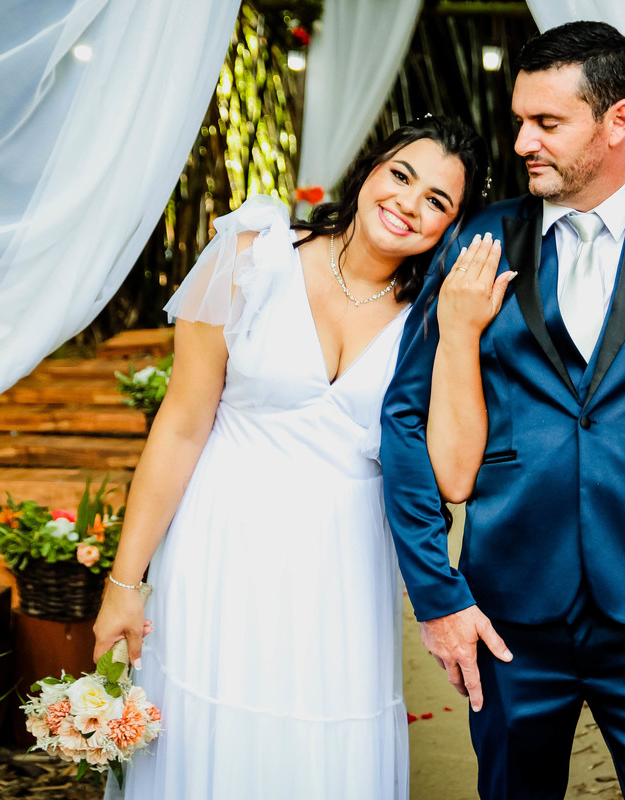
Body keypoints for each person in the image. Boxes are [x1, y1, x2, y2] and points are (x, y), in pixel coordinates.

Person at [381, 22, 625, 800]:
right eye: (520, 121)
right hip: (508, 611)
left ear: (616, 121)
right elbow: (404, 414)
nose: (523, 142)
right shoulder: (479, 241)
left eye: (547, 122)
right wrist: (439, 594)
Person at [91, 115, 489, 799]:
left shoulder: (432, 316)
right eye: (400, 175)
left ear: (451, 226)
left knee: (319, 750)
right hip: (221, 543)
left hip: (341, 567)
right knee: (208, 733)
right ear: (369, 170)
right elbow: (180, 426)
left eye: (436, 200)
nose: (407, 203)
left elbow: (454, 475)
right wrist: (125, 584)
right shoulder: (253, 255)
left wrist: (460, 332)